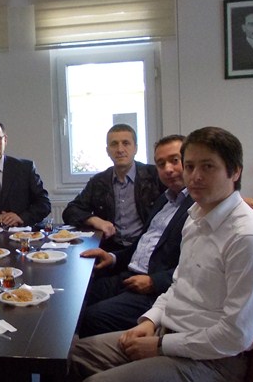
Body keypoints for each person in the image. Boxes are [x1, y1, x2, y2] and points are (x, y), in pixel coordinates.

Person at [50, 126, 253, 382]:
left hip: (211, 363)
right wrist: (149, 320)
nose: (194, 176)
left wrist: (159, 346)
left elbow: (235, 336)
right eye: (190, 166)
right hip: (169, 334)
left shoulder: (248, 239)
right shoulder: (197, 217)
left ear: (235, 171)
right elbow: (177, 285)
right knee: (70, 355)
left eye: (207, 166)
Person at [77, 135, 193, 337]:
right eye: (161, 164)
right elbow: (143, 244)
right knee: (76, 296)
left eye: (175, 160)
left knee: (91, 317)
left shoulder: (198, 207)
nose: (168, 169)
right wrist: (112, 257)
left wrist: (154, 281)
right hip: (129, 273)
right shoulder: (165, 200)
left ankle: (88, 354)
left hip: (155, 290)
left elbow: (195, 268)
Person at [62, 124, 163, 251]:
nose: (120, 149)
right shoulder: (98, 181)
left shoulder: (154, 176)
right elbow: (71, 211)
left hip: (147, 248)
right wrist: (94, 220)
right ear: (107, 151)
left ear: (135, 148)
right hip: (110, 248)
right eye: (114, 144)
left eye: (126, 143)